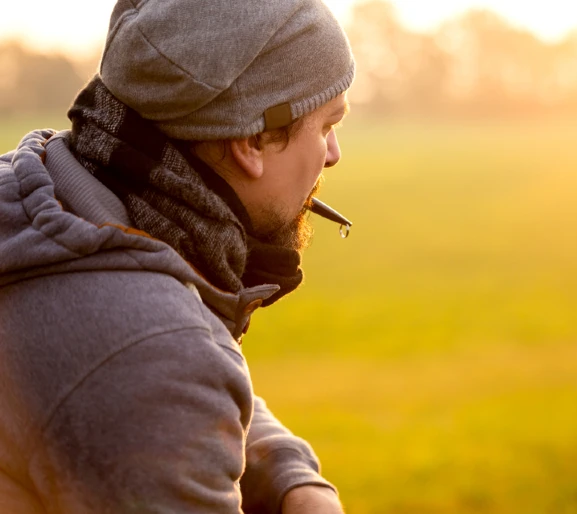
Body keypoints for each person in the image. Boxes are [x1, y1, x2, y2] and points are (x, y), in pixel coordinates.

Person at [0, 0, 354, 512]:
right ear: (253, 139)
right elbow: (154, 368)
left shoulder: (39, 195)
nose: (333, 153)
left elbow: (134, 382)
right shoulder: (150, 347)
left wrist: (287, 472)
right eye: (325, 125)